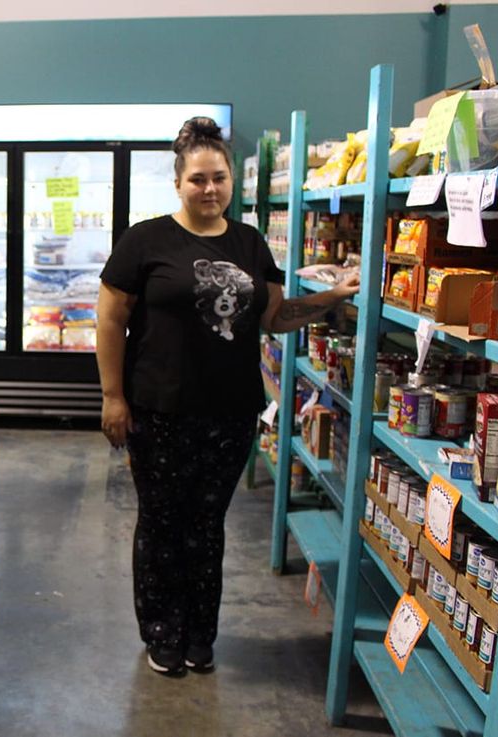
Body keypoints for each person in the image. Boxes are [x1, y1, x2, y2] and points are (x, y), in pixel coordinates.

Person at [95, 116, 358, 677]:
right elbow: (111, 319)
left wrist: (332, 297)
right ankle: (162, 632)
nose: (209, 188)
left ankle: (199, 634)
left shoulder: (249, 243)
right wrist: (113, 396)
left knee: (208, 524)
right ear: (178, 182)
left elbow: (275, 318)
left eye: (218, 178)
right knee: (162, 521)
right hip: (158, 410)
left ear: (232, 181)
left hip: (230, 413)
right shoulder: (145, 240)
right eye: (198, 179)